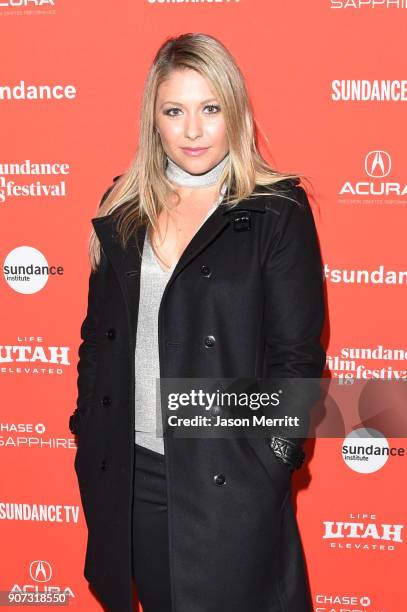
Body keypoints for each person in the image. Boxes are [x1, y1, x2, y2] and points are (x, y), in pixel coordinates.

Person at [69, 32, 326, 612]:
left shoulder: (275, 209)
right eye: (174, 111)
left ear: (233, 112)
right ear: (153, 120)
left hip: (230, 481)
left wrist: (274, 456)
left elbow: (297, 357)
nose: (192, 130)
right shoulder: (123, 207)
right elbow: (97, 339)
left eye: (210, 109)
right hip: (135, 481)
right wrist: (87, 430)